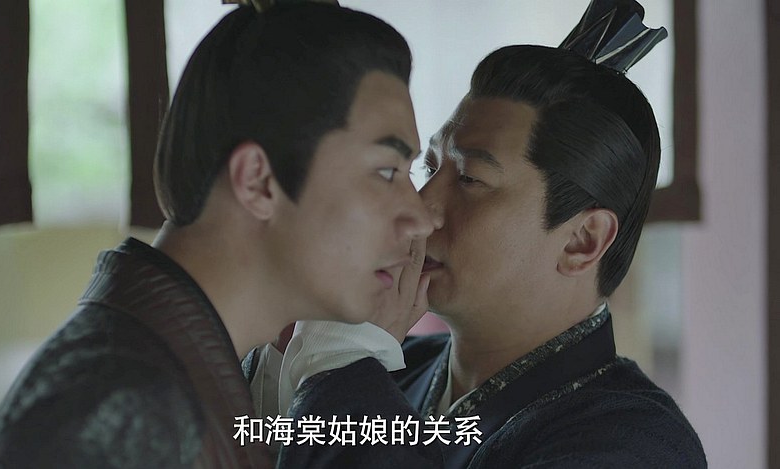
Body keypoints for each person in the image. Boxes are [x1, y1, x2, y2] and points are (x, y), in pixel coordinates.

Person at [0, 2, 438, 468]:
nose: (420, 218)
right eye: (386, 171)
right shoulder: (128, 413)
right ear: (258, 181)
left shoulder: (165, 380)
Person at [260, 0, 707, 467]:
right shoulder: (392, 366)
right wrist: (287, 354)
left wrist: (340, 361)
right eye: (429, 169)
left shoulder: (633, 444)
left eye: (470, 179)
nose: (419, 208)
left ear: (583, 241)